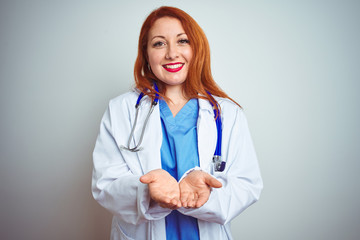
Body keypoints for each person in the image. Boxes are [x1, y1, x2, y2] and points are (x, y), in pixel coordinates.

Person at [92, 6, 263, 240]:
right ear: (146, 54)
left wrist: (205, 195)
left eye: (182, 41)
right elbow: (105, 185)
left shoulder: (228, 114)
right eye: (159, 43)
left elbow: (247, 185)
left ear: (196, 48)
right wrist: (147, 192)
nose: (172, 53)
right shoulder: (121, 110)